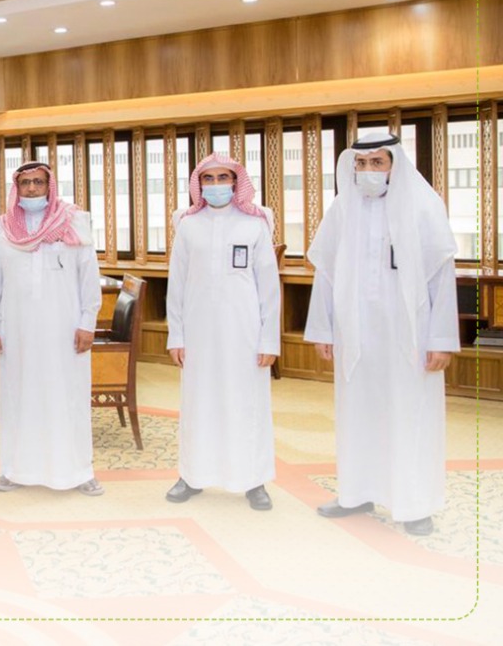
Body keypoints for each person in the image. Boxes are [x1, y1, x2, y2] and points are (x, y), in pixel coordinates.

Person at [305, 132, 459, 536]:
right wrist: (323, 329)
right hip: (355, 335)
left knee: (409, 416)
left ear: (395, 164)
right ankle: (356, 493)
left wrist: (441, 339)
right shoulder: (343, 209)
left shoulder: (423, 207)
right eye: (361, 163)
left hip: (409, 337)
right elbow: (326, 273)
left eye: (377, 162)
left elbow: (441, 278)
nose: (368, 170)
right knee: (357, 414)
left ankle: (415, 504)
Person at [0, 161, 103, 495]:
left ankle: (80, 471)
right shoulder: (2, 229)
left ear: (50, 186)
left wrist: (88, 322)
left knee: (69, 398)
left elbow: (89, 278)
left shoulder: (74, 222)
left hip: (66, 331)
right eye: (25, 183)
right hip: (17, 332)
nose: (31, 189)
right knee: (19, 398)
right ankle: (14, 469)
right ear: (16, 188)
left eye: (38, 182)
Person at [165, 154, 280, 511]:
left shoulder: (255, 224)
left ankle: (254, 480)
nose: (216, 185)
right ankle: (191, 475)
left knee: (247, 404)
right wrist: (176, 335)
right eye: (208, 178)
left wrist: (269, 339)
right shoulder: (188, 225)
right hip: (198, 332)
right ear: (199, 185)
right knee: (198, 404)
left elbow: (269, 287)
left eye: (223, 177)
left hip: (245, 331)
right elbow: (176, 285)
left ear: (236, 181)